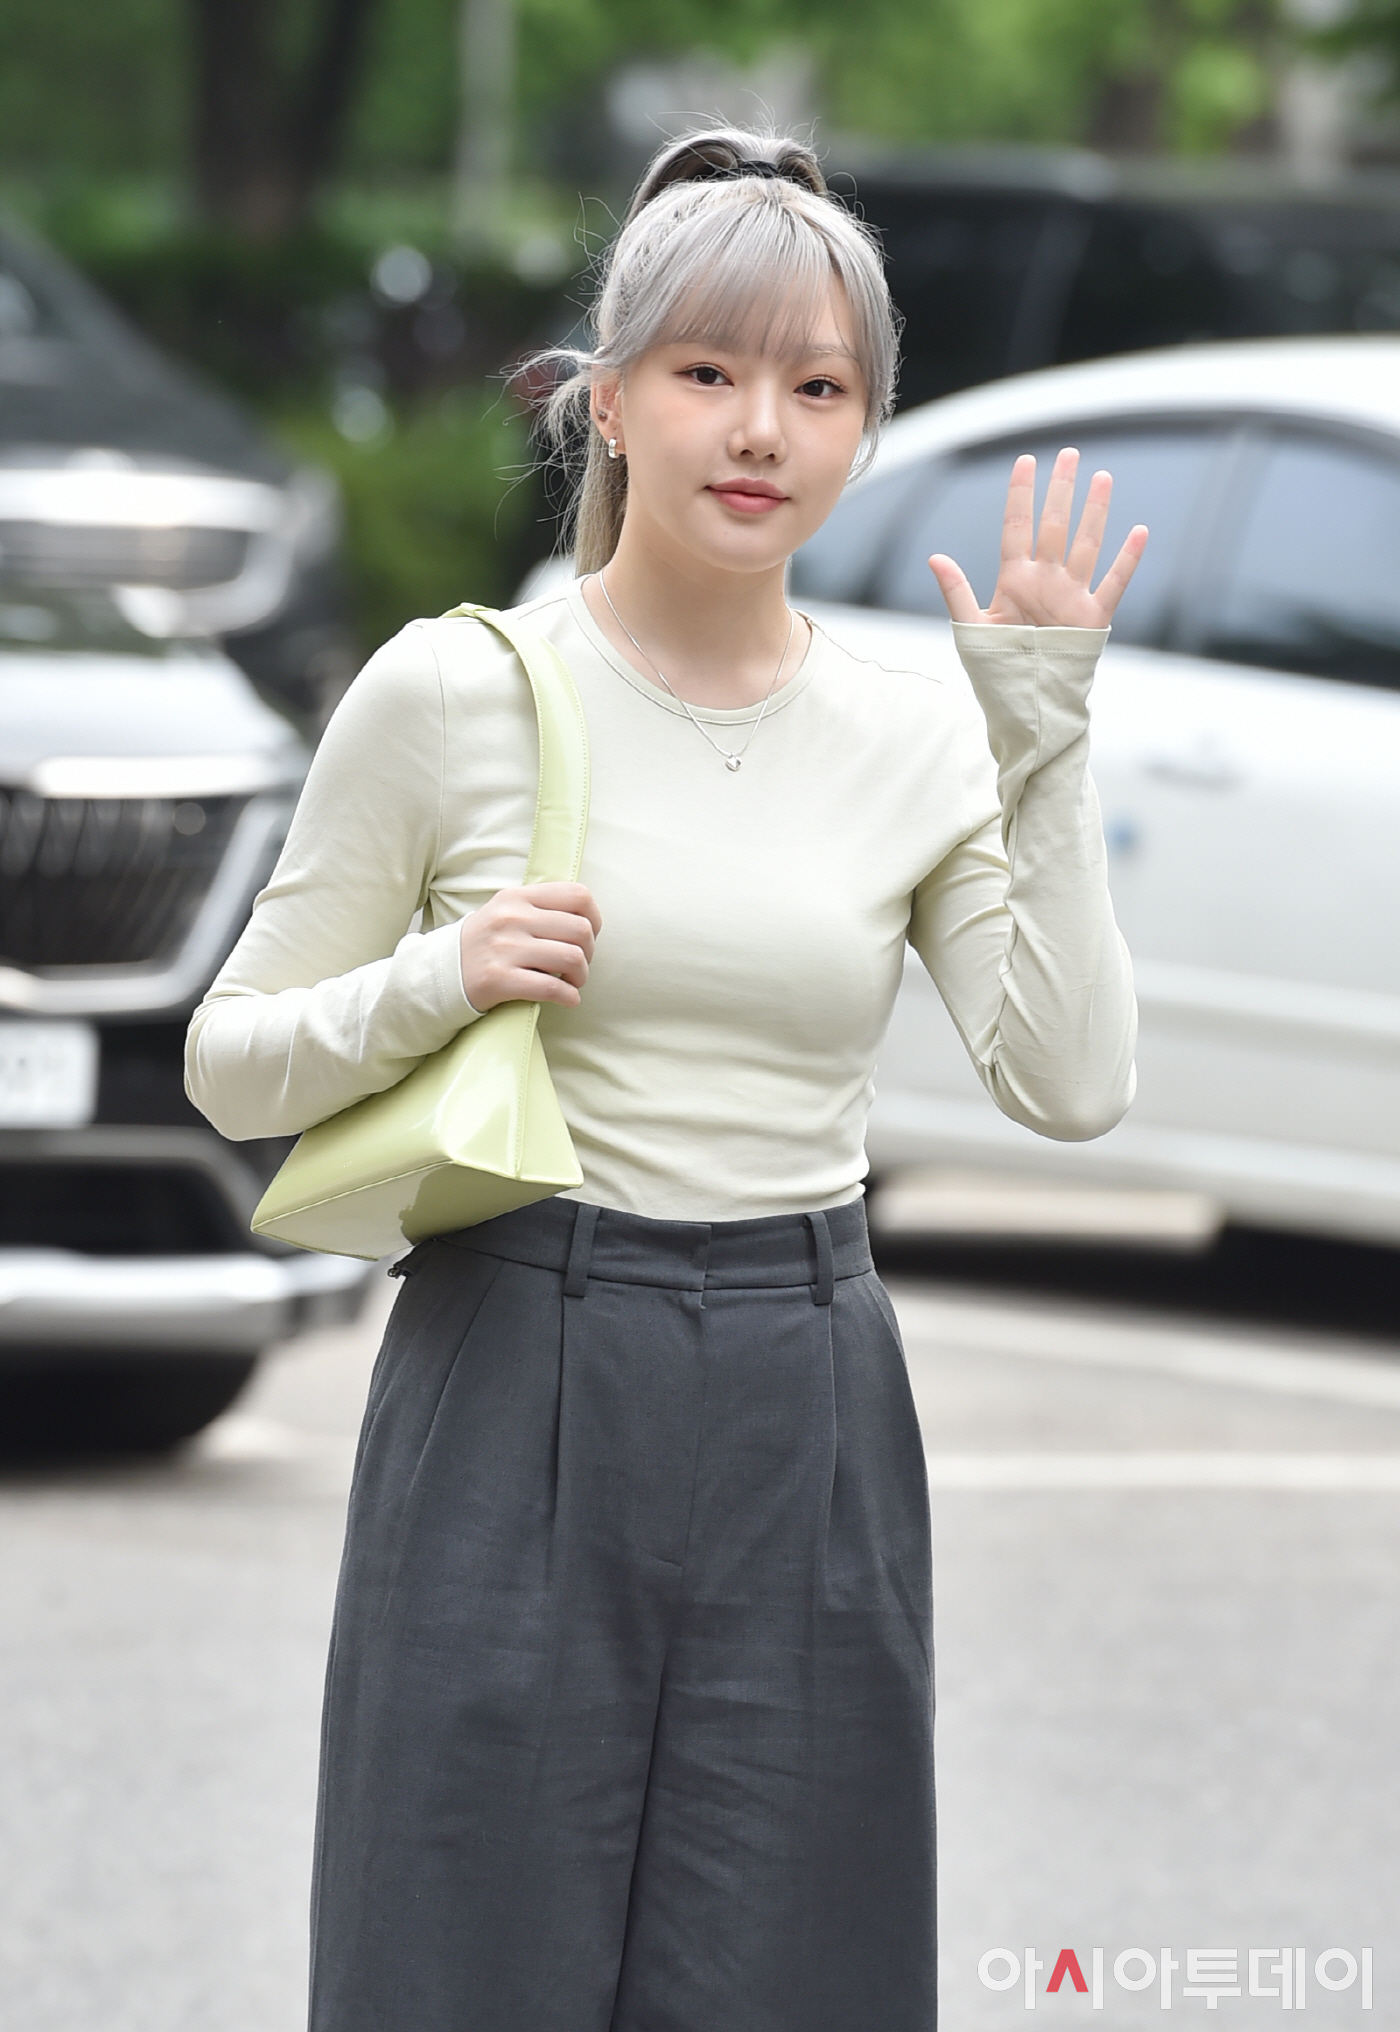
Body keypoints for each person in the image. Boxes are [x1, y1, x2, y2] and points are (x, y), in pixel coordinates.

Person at [185, 126, 1142, 2032]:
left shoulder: (912, 735)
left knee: (798, 1973)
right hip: (514, 1362)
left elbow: (1070, 1083)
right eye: (709, 372)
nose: (760, 429)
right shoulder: (453, 690)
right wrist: (441, 977)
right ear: (606, 400)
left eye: (819, 388)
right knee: (458, 1964)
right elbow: (230, 1064)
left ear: (867, 429)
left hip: (810, 1388)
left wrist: (1043, 740)